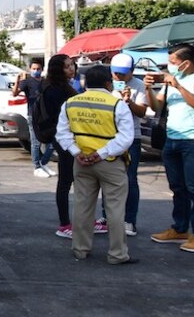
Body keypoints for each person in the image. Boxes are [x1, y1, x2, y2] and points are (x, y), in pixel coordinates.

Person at [56, 65, 137, 264]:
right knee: (115, 209)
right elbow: (126, 138)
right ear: (109, 83)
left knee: (82, 206)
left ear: (85, 83)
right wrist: (101, 154)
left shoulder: (71, 103)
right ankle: (117, 254)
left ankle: (80, 249)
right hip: (110, 163)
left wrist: (76, 152)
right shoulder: (117, 104)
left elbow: (62, 133)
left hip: (81, 162)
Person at [145, 43, 194, 253]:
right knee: (178, 188)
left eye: (173, 61)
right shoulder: (171, 80)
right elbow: (156, 107)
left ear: (185, 63)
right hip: (172, 139)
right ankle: (180, 228)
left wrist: (178, 86)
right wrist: (148, 89)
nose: (169, 65)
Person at [40, 54, 79, 238]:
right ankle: (65, 224)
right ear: (58, 70)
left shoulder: (61, 86)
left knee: (75, 180)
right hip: (64, 138)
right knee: (66, 181)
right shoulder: (56, 89)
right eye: (67, 66)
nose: (71, 69)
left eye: (72, 65)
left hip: (66, 137)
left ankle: (78, 220)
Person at [109, 53, 149, 237]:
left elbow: (142, 112)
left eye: (123, 73)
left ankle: (129, 220)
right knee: (108, 177)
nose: (118, 76)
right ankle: (107, 217)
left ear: (132, 71)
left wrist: (128, 101)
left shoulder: (138, 85)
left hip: (131, 137)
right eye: (115, 72)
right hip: (108, 136)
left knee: (130, 178)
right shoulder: (107, 84)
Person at [14, 58, 54, 178]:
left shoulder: (45, 81)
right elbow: (15, 93)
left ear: (42, 69)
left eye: (38, 69)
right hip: (33, 115)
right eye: (34, 69)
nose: (36, 71)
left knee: (52, 142)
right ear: (30, 69)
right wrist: (17, 81)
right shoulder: (27, 82)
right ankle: (37, 167)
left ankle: (43, 163)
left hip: (46, 116)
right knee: (36, 143)